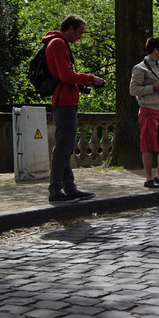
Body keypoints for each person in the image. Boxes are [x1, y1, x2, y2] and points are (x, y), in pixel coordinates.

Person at [45, 14, 105, 203]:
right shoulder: (58, 43)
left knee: (65, 147)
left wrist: (80, 86)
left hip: (66, 100)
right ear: (70, 28)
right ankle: (55, 191)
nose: (80, 37)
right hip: (64, 102)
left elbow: (64, 76)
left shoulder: (58, 43)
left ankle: (70, 189)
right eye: (79, 32)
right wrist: (90, 78)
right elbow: (65, 75)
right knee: (63, 147)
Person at [129, 36, 159, 189]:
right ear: (155, 50)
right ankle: (149, 179)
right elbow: (133, 90)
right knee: (148, 146)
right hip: (148, 110)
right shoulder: (139, 68)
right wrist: (153, 87)